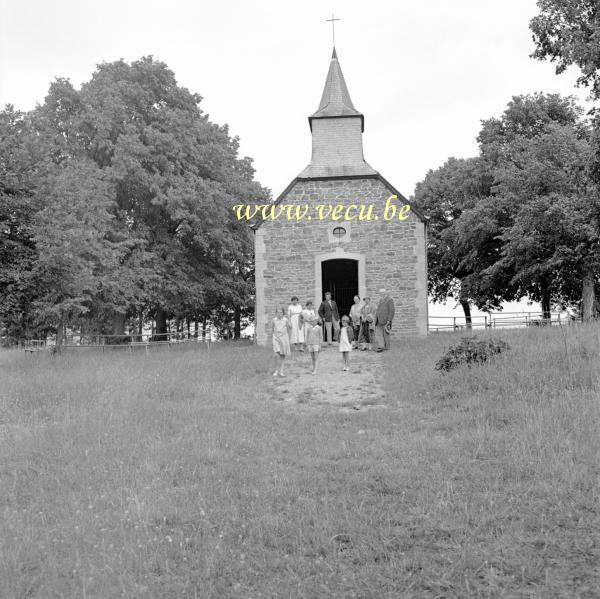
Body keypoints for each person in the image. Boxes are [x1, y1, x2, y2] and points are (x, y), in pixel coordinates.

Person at [272, 305, 291, 376]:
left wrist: (289, 319)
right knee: (276, 354)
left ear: (283, 313)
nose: (279, 313)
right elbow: (272, 329)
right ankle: (276, 370)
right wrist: (274, 336)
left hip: (284, 338)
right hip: (276, 338)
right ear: (276, 313)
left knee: (283, 355)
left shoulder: (285, 320)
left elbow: (290, 327)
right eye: (278, 312)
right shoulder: (274, 320)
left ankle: (281, 370)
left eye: (281, 312)